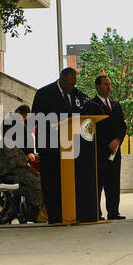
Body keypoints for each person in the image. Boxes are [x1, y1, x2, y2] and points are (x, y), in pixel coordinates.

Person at [31, 67, 84, 224]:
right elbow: (36, 118)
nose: (71, 87)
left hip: (69, 146)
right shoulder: (44, 93)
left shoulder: (76, 94)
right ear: (61, 80)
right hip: (49, 146)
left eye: (74, 84)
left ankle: (69, 213)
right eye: (69, 84)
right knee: (51, 183)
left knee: (67, 182)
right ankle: (55, 217)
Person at [84, 75, 127, 220]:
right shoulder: (91, 105)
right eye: (105, 85)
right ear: (97, 86)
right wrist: (108, 142)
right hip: (100, 151)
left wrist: (117, 140)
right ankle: (96, 213)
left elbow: (123, 126)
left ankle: (114, 212)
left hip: (115, 150)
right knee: (99, 183)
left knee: (114, 183)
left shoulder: (116, 105)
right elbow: (93, 128)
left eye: (110, 84)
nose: (109, 88)